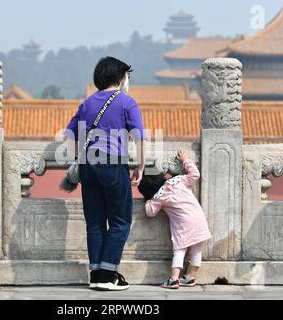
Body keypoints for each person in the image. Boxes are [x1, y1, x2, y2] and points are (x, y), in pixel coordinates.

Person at [64, 56, 145, 291]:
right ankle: (108, 276)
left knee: (95, 222)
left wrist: (78, 160)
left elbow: (69, 136)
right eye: (127, 76)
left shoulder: (87, 103)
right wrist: (140, 167)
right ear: (120, 79)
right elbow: (139, 137)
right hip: (113, 164)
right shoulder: (126, 102)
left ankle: (96, 274)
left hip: (88, 165)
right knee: (120, 221)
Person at [138, 149, 211, 289]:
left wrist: (148, 199)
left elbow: (150, 212)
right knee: (197, 250)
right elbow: (195, 174)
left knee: (179, 250)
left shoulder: (159, 197)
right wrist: (185, 160)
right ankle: (190, 277)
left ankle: (173, 279)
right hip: (199, 218)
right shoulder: (177, 180)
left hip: (183, 225)